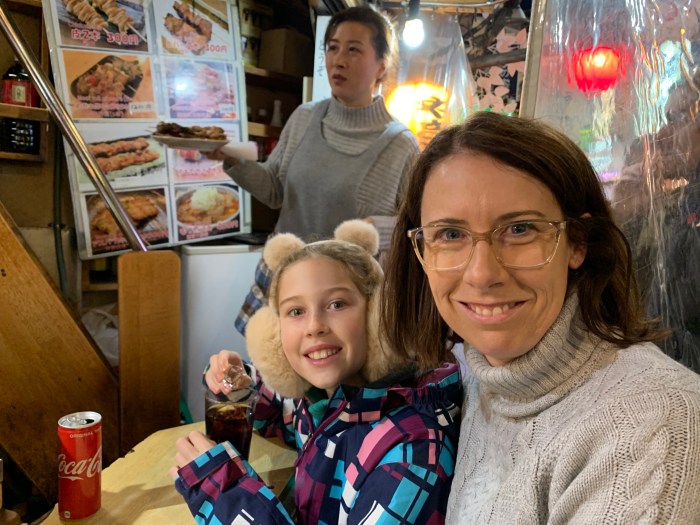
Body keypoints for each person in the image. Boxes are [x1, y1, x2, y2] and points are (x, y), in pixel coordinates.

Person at [382, 111, 700, 523]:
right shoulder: (474, 381)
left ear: (577, 243)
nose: (482, 274)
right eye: (451, 234)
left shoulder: (650, 422)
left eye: (520, 229)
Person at [171, 220, 462, 524]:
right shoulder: (323, 401)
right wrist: (236, 382)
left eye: (336, 304)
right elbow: (279, 414)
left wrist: (223, 491)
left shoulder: (413, 449)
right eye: (296, 311)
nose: (314, 326)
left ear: (379, 314)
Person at [212, 5, 420, 335]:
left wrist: (376, 229)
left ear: (382, 65)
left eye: (354, 50)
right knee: (267, 365)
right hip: (284, 275)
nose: (339, 60)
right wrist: (231, 157)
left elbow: (417, 227)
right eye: (333, 48)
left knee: (329, 368)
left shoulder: (400, 145)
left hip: (344, 298)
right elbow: (274, 189)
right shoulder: (304, 117)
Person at [612, 70, 700, 374]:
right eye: (666, 119)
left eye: (679, 118)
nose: (662, 134)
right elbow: (651, 300)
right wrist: (628, 214)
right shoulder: (686, 199)